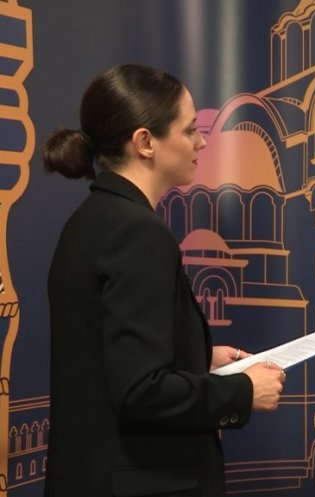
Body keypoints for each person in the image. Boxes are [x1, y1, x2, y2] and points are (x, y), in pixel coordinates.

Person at [42, 64, 286, 497]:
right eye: (189, 130)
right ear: (145, 142)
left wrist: (196, 358)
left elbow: (106, 359)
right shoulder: (138, 233)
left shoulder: (90, 221)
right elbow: (140, 390)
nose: (202, 142)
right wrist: (241, 391)